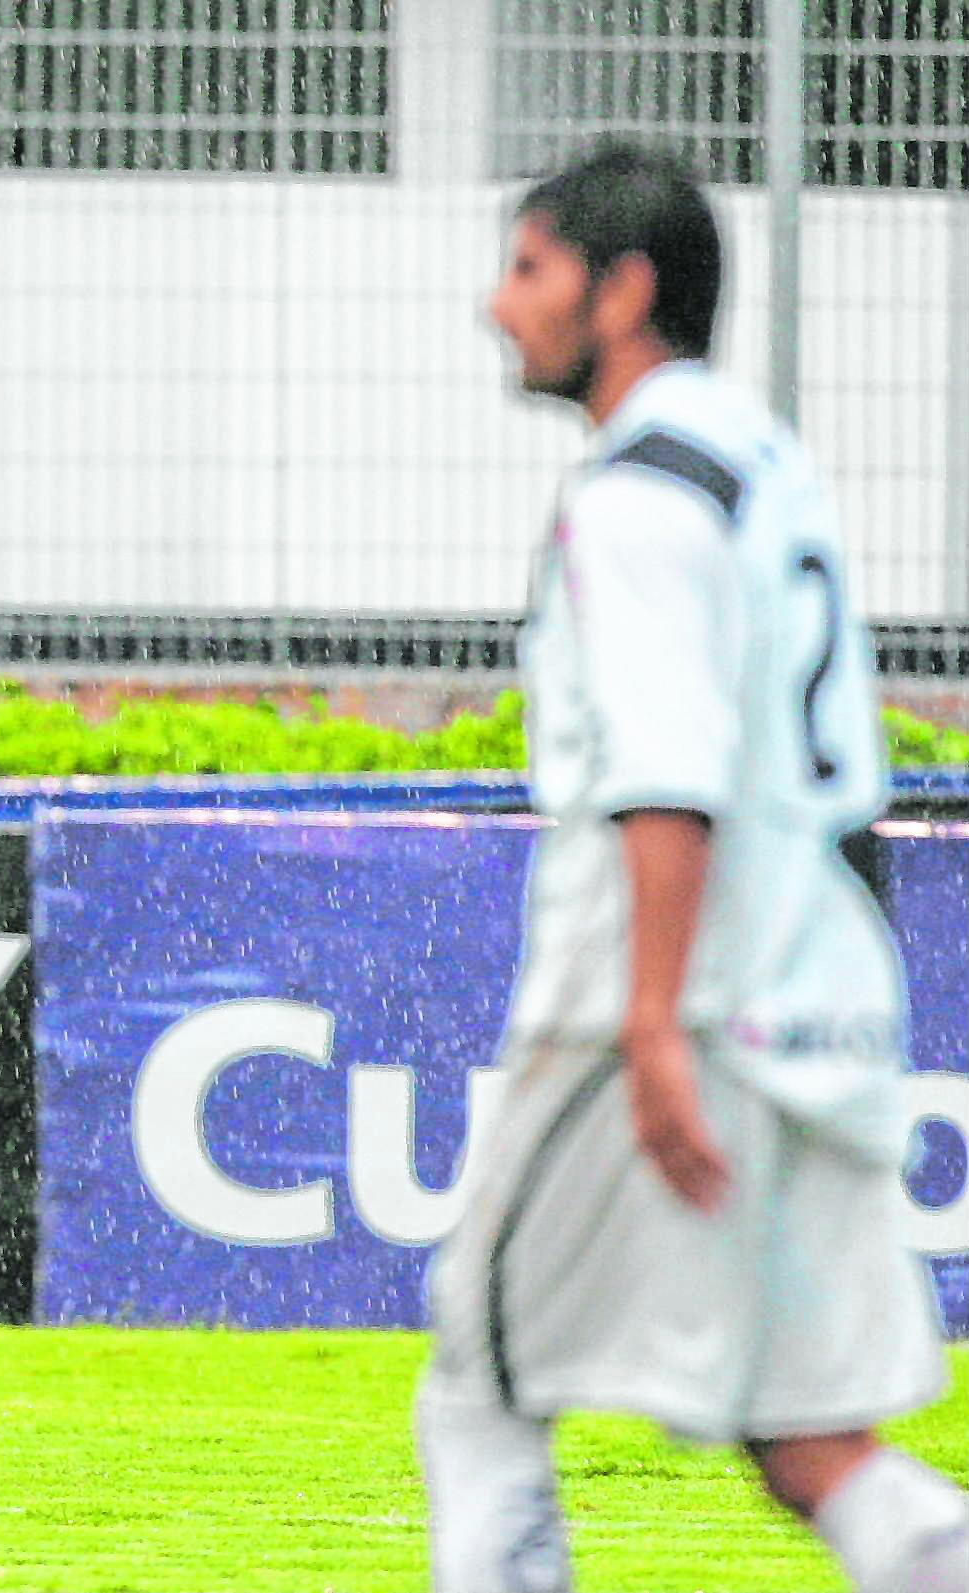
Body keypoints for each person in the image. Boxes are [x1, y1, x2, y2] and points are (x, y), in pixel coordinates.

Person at [417, 141, 968, 1593]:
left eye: (527, 267)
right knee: (810, 1446)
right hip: (821, 978)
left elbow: (668, 773)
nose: (498, 305)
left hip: (658, 995)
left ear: (624, 289)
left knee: (479, 1378)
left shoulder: (632, 496)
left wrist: (653, 1023)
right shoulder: (757, 455)